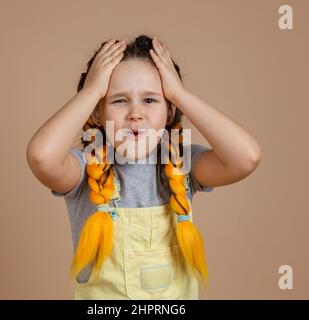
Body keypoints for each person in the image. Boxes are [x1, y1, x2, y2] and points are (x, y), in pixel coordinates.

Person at [26, 34, 262, 299]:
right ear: (96, 112)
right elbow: (41, 157)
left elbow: (246, 157)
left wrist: (179, 94)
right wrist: (91, 92)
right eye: (119, 100)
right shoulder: (84, 169)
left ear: (170, 111)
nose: (135, 113)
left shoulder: (181, 163)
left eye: (150, 100)